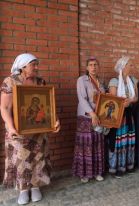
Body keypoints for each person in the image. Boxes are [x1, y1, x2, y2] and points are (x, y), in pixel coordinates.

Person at [0, 53, 60, 205]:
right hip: (18, 132)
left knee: (38, 159)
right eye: (34, 64)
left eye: (37, 64)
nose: (37, 67)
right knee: (22, 161)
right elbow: (4, 107)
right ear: (23, 66)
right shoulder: (11, 81)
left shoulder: (40, 82)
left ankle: (35, 187)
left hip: (39, 131)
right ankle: (23, 190)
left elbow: (48, 106)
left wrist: (55, 120)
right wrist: (11, 127)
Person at [72, 56, 105, 183]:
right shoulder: (82, 80)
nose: (93, 67)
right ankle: (84, 173)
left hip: (99, 116)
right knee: (86, 144)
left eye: (95, 64)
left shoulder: (100, 82)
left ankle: (97, 171)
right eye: (91, 65)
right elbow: (82, 98)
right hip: (86, 117)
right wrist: (92, 114)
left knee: (97, 143)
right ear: (87, 67)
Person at [107, 56, 138, 178]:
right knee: (118, 141)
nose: (132, 67)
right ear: (123, 66)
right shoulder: (114, 81)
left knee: (128, 139)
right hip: (119, 116)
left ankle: (128, 165)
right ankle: (116, 168)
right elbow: (113, 99)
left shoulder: (133, 80)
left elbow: (136, 97)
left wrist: (130, 101)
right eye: (130, 65)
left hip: (129, 114)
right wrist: (122, 103)